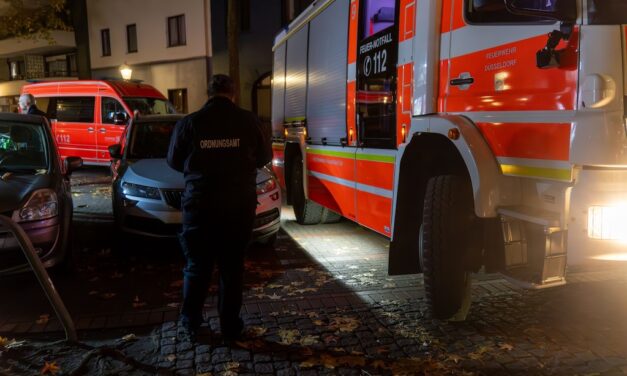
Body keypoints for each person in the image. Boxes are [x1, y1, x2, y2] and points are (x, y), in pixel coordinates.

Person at [167, 74, 271, 342]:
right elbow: (264, 157)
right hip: (238, 207)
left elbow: (174, 161)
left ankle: (191, 324)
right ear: (233, 93)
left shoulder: (189, 123)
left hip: (200, 206)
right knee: (232, 268)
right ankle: (230, 327)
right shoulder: (249, 121)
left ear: (208, 93)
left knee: (197, 266)